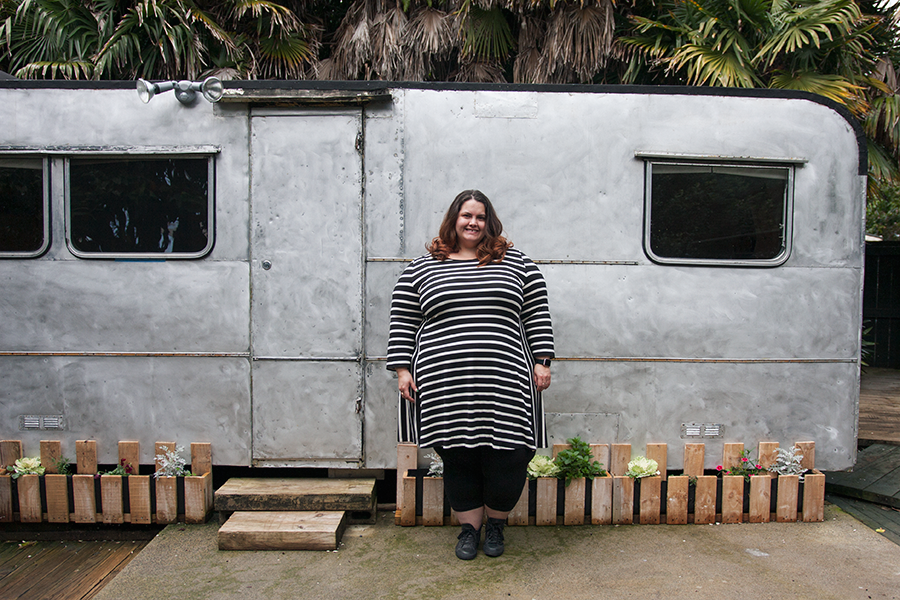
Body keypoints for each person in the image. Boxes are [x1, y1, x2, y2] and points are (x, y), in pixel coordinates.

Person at [387, 189, 554, 560]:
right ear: (454, 220)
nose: (473, 222)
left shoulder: (518, 264)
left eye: (480, 217)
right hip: (443, 380)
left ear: (489, 222)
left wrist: (542, 360)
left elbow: (537, 314)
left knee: (511, 455)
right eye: (466, 216)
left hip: (507, 380)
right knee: (457, 454)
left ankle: (495, 524)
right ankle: (469, 531)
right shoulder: (422, 267)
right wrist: (402, 369)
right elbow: (402, 320)